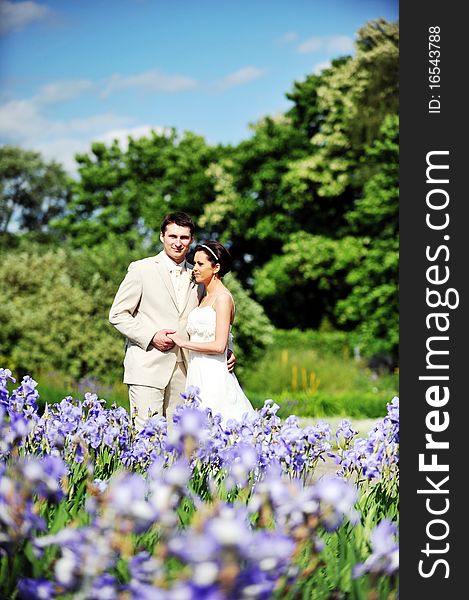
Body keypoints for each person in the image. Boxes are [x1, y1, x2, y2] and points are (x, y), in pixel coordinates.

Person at [108, 212, 236, 430]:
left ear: (191, 240)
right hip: (147, 367)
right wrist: (151, 336)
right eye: (173, 236)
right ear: (162, 237)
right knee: (146, 436)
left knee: (179, 441)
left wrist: (228, 349)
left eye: (184, 238)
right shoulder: (141, 269)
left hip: (187, 371)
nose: (178, 243)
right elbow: (117, 314)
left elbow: (215, 316)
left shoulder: (200, 274)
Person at [168, 240, 255, 423]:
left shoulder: (223, 298)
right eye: (195, 263)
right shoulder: (204, 296)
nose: (195, 268)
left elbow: (219, 345)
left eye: (200, 264)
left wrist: (183, 342)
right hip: (196, 371)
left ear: (216, 268)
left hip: (214, 375)